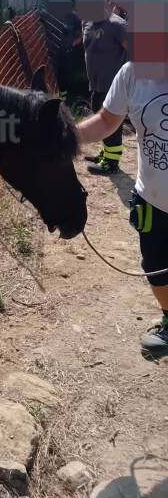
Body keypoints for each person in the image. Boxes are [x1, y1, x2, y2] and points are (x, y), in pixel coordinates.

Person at [77, 61, 168, 360]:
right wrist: (64, 137)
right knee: (155, 267)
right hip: (154, 201)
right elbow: (106, 121)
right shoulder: (133, 74)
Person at [81, 0, 128, 175]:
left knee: (110, 121)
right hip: (95, 82)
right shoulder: (86, 22)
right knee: (98, 114)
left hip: (113, 84)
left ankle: (111, 163)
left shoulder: (117, 25)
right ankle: (106, 153)